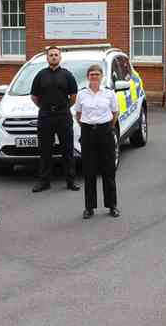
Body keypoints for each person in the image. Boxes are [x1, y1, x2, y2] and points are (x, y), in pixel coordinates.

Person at [30, 46, 80, 193]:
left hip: (63, 116)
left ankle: (70, 181)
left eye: (56, 55)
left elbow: (73, 96)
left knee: (67, 149)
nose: (53, 57)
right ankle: (44, 182)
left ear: (60, 57)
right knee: (45, 150)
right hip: (45, 116)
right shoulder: (40, 75)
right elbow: (34, 96)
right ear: (47, 57)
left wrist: (62, 107)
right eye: (51, 55)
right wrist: (45, 107)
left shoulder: (67, 75)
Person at [73, 64, 120, 219]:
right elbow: (78, 114)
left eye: (97, 74)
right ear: (88, 77)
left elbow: (115, 112)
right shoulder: (82, 95)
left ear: (101, 77)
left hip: (105, 131)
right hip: (88, 132)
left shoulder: (109, 93)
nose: (94, 77)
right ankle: (89, 207)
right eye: (91, 74)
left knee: (108, 170)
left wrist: (105, 127)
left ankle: (112, 205)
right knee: (89, 171)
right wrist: (88, 126)